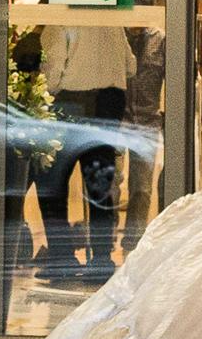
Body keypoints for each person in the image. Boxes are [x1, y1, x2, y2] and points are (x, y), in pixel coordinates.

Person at [33, 25, 136, 282]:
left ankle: (62, 258)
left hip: (70, 103)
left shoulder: (62, 19)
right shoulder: (112, 21)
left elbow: (52, 70)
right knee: (100, 184)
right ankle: (101, 260)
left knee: (52, 183)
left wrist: (45, 94)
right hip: (109, 102)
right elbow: (130, 66)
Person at [122, 25, 165, 257]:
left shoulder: (160, 39)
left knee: (142, 187)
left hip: (148, 120)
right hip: (118, 118)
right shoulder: (116, 34)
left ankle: (133, 243)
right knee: (110, 183)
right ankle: (103, 245)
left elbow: (173, 81)